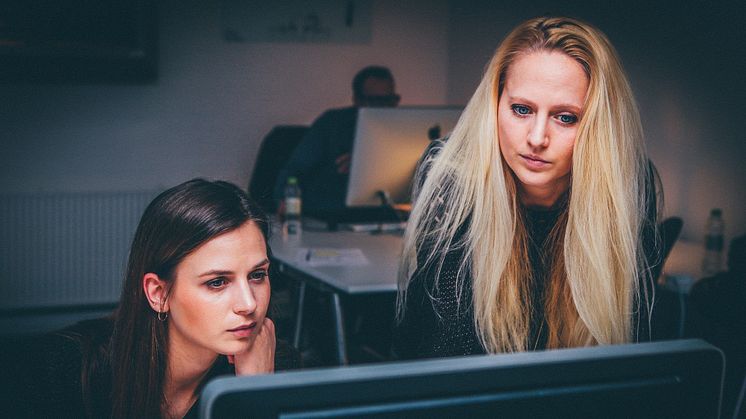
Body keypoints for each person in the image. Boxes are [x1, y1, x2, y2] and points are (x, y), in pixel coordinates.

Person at [395, 16, 661, 359]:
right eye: (521, 109)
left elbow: (625, 348)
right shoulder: (453, 175)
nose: (537, 138)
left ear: (598, 126)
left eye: (566, 117)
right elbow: (450, 346)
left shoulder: (629, 185)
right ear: (495, 104)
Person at [15, 179, 300, 418]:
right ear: (159, 294)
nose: (249, 304)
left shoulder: (271, 365)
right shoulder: (63, 369)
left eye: (257, 275)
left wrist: (253, 394)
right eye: (217, 282)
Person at [273, 65, 400, 213]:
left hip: (386, 214)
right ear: (357, 100)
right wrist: (284, 201)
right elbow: (295, 168)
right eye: (375, 101)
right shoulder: (332, 124)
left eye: (389, 100)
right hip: (332, 213)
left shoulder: (401, 131)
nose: (383, 109)